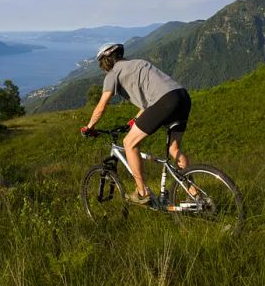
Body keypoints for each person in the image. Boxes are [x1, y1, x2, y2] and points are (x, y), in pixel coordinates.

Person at [81, 43, 192, 206]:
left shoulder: (113, 73)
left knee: (129, 143)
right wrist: (133, 122)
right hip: (182, 97)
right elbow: (148, 103)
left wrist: (89, 127)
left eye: (102, 64)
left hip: (165, 101)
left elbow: (102, 105)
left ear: (106, 62)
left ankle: (142, 193)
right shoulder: (138, 63)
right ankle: (195, 195)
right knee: (174, 150)